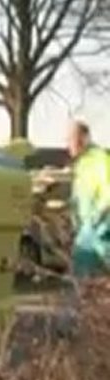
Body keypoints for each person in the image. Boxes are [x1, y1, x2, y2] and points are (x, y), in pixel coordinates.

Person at [68, 120, 110, 279]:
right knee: (83, 276)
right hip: (85, 232)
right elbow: (78, 197)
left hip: (99, 232)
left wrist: (96, 219)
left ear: (84, 138)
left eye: (71, 139)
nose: (68, 145)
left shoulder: (100, 159)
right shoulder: (81, 165)